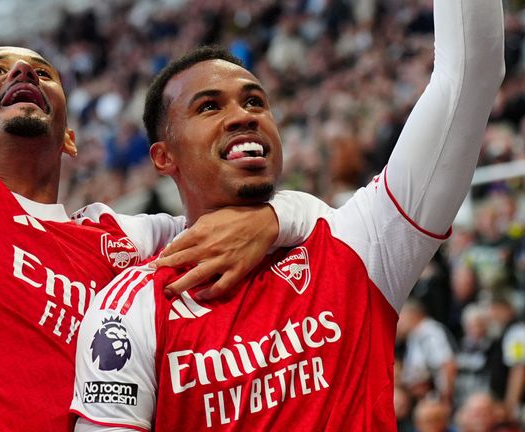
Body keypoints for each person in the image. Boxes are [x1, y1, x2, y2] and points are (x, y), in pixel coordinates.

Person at [0, 0, 326, 430]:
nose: (23, 73)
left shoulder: (120, 241)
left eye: (44, 73)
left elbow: (310, 223)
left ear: (70, 138)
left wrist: (274, 218)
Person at [71, 0, 505, 429]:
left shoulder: (360, 241)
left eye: (255, 101)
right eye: (209, 106)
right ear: (164, 158)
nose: (243, 115)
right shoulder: (129, 310)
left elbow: (469, 74)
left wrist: (283, 215)